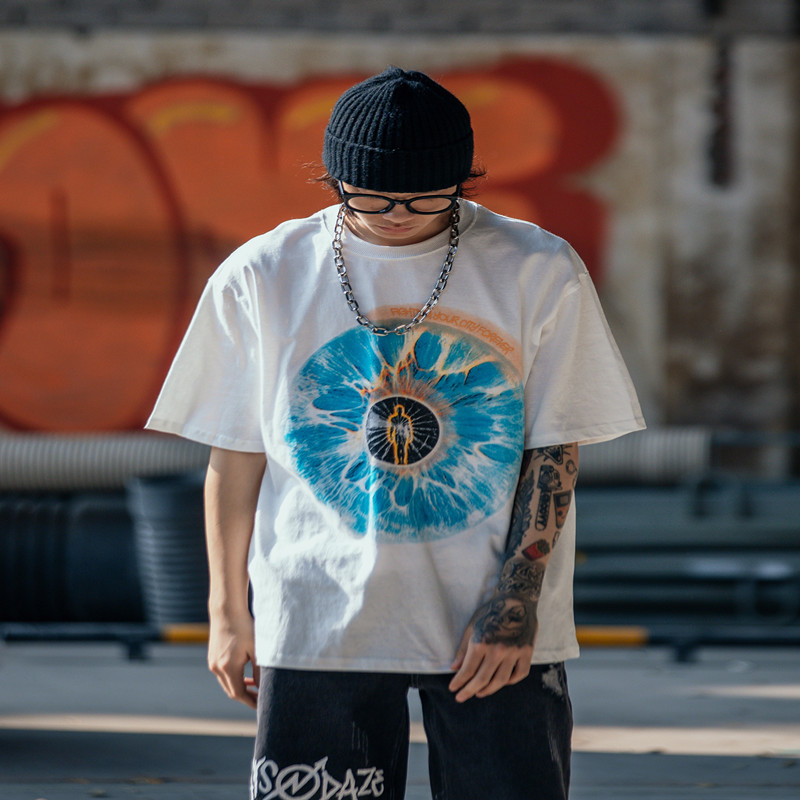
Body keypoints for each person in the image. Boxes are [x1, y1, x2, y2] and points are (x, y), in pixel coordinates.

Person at [146, 66, 645, 800]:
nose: (397, 214)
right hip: (317, 612)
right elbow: (237, 452)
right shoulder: (265, 273)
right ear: (333, 178)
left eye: (426, 196)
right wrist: (227, 611)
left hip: (489, 625)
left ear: (463, 180)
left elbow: (552, 448)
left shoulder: (536, 268)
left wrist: (517, 606)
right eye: (371, 196)